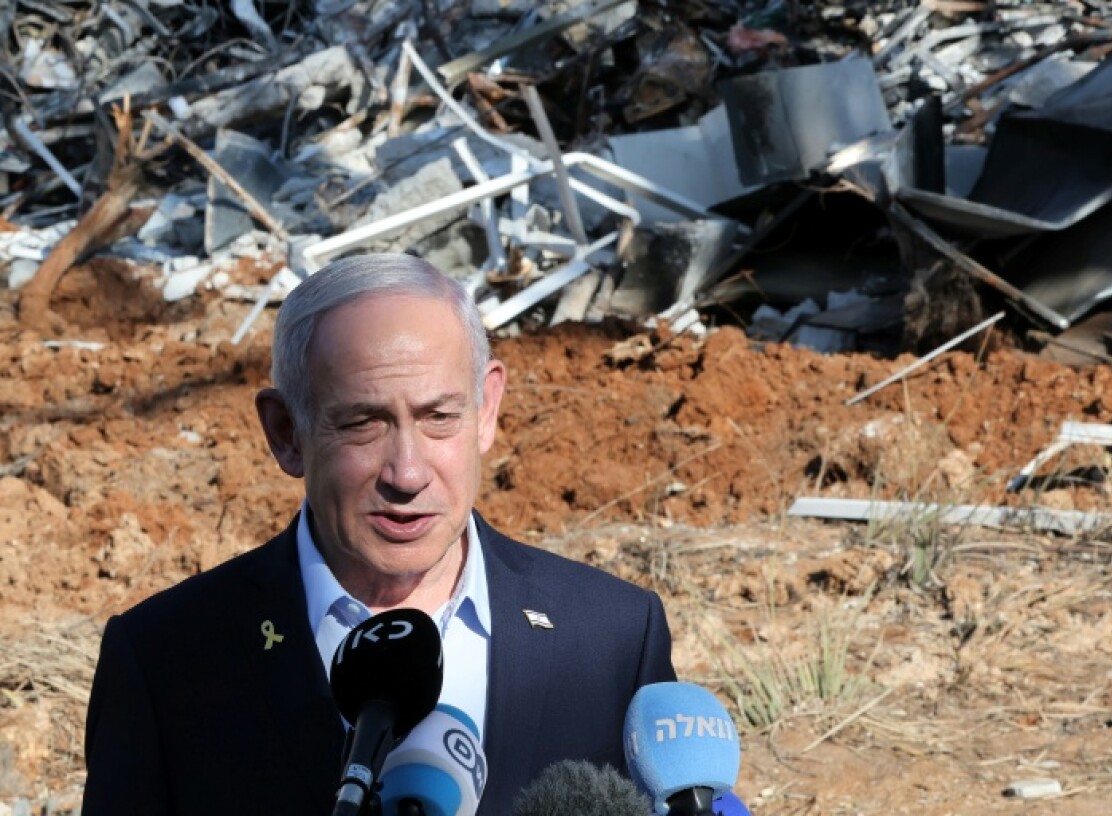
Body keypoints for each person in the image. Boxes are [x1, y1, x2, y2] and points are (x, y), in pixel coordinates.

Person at [81, 253, 676, 815]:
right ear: (287, 432)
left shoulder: (613, 640)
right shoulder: (166, 660)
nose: (408, 474)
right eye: (363, 424)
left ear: (487, 407)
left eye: (439, 417)